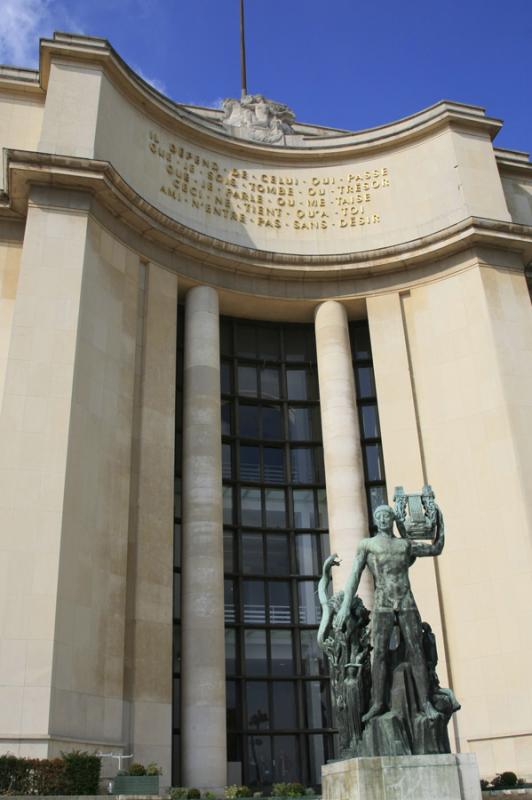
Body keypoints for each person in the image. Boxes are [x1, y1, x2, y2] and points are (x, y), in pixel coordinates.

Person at [334, 504, 445, 722]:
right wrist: (345, 605)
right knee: (380, 653)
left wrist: (439, 520)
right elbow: (355, 575)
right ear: (376, 520)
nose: (384, 519)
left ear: (393, 519)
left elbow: (436, 548)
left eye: (387, 515)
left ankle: (425, 703)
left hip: (406, 600)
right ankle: (378, 703)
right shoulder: (368, 544)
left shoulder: (404, 544)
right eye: (380, 516)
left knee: (416, 651)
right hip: (383, 601)